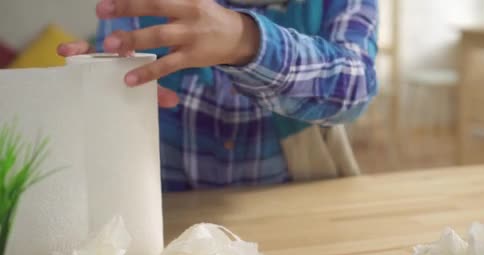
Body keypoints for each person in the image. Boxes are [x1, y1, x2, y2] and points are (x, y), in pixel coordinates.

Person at [58, 0, 378, 191]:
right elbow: (117, 73)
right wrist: (98, 84)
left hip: (297, 200)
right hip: (162, 202)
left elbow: (356, 87)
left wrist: (246, 41)